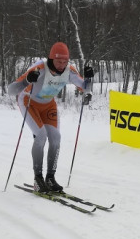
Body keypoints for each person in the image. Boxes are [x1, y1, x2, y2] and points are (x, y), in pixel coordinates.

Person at [8, 42, 94, 192]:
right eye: (59, 61)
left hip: (48, 105)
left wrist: (89, 79)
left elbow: (85, 88)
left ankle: (50, 178)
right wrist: (27, 80)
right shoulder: (40, 68)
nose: (62, 65)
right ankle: (38, 178)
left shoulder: (69, 70)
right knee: (41, 136)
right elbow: (11, 90)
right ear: (51, 59)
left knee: (55, 138)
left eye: (65, 61)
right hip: (29, 102)